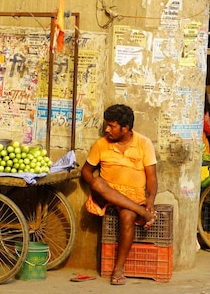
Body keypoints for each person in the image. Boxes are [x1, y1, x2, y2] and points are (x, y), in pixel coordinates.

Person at [81, 104, 158, 286]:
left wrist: (150, 200)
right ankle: (142, 213)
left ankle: (118, 269)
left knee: (128, 215)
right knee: (98, 182)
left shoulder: (144, 143)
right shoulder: (101, 144)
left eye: (112, 126)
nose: (107, 130)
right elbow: (86, 171)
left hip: (134, 195)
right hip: (107, 193)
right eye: (107, 125)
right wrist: (93, 184)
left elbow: (152, 178)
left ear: (126, 128)